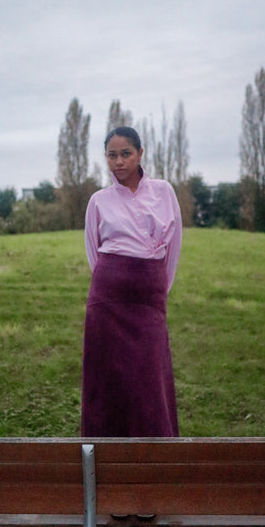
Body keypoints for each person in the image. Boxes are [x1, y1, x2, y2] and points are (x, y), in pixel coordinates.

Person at [81, 126, 182, 437]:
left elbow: (173, 247)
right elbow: (93, 252)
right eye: (111, 155)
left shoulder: (164, 192)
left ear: (140, 153)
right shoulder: (98, 201)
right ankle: (104, 452)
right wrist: (115, 281)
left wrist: (155, 289)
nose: (119, 161)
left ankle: (156, 451)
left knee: (150, 375)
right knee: (107, 377)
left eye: (126, 153)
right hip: (107, 301)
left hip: (149, 298)